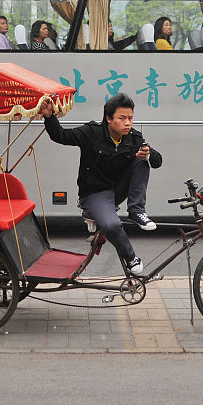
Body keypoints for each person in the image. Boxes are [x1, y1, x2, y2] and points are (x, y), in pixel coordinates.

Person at [38, 92, 163, 276]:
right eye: (122, 118)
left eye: (130, 118)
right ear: (109, 118)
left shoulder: (134, 138)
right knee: (112, 225)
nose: (128, 123)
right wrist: (50, 117)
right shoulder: (91, 133)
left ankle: (136, 211)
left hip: (117, 190)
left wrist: (149, 154)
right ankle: (131, 258)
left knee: (143, 159)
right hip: (94, 193)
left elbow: (158, 161)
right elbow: (62, 136)